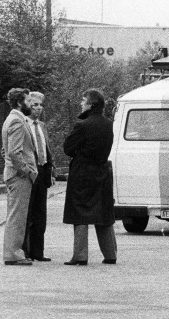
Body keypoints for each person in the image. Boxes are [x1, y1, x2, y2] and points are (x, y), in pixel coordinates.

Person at [63, 88, 117, 265]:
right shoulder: (108, 124)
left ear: (91, 105)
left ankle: (80, 255)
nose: (80, 103)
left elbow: (68, 148)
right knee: (104, 214)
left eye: (83, 100)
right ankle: (110, 254)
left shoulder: (82, 125)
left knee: (79, 213)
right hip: (102, 172)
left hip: (82, 173)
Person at [2, 88, 37, 266]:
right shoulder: (16, 121)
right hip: (19, 176)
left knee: (16, 214)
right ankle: (13, 253)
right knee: (17, 215)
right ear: (19, 103)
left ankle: (13, 252)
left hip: (13, 174)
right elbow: (15, 153)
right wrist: (27, 171)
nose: (31, 104)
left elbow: (6, 150)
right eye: (28, 100)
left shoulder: (13, 119)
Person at [23, 91, 54, 261]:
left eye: (41, 105)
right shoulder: (22, 123)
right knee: (27, 212)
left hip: (42, 172)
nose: (38, 108)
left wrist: (51, 170)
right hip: (29, 171)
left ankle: (38, 251)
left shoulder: (42, 125)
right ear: (28, 105)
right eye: (35, 105)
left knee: (40, 213)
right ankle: (25, 250)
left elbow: (47, 148)